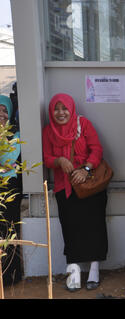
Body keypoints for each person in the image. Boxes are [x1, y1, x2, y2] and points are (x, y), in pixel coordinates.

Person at [42, 93, 108, 292]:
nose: (60, 113)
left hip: (90, 186)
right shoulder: (48, 132)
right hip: (65, 187)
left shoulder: (84, 124)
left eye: (64, 108)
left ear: (71, 109)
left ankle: (94, 270)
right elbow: (46, 157)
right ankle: (74, 272)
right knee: (71, 229)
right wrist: (59, 161)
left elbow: (96, 149)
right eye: (56, 108)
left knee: (94, 227)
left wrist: (85, 169)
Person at [0, 95, 23, 287]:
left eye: (5, 110)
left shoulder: (16, 134)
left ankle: (10, 274)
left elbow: (8, 159)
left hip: (9, 189)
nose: (1, 114)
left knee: (8, 230)